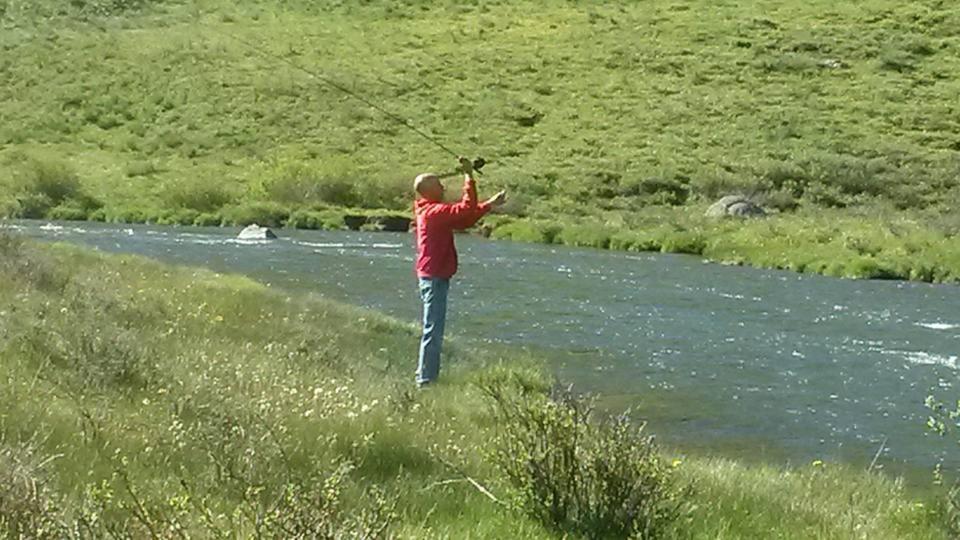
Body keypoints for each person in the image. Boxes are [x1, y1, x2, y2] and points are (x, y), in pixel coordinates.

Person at [412, 157, 506, 388]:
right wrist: (468, 176)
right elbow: (465, 208)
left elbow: (463, 220)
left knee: (433, 328)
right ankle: (425, 381)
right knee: (433, 330)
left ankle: (426, 378)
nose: (443, 187)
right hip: (433, 277)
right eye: (438, 185)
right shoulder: (433, 212)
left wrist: (489, 205)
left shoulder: (430, 210)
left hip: (434, 275)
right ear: (427, 191)